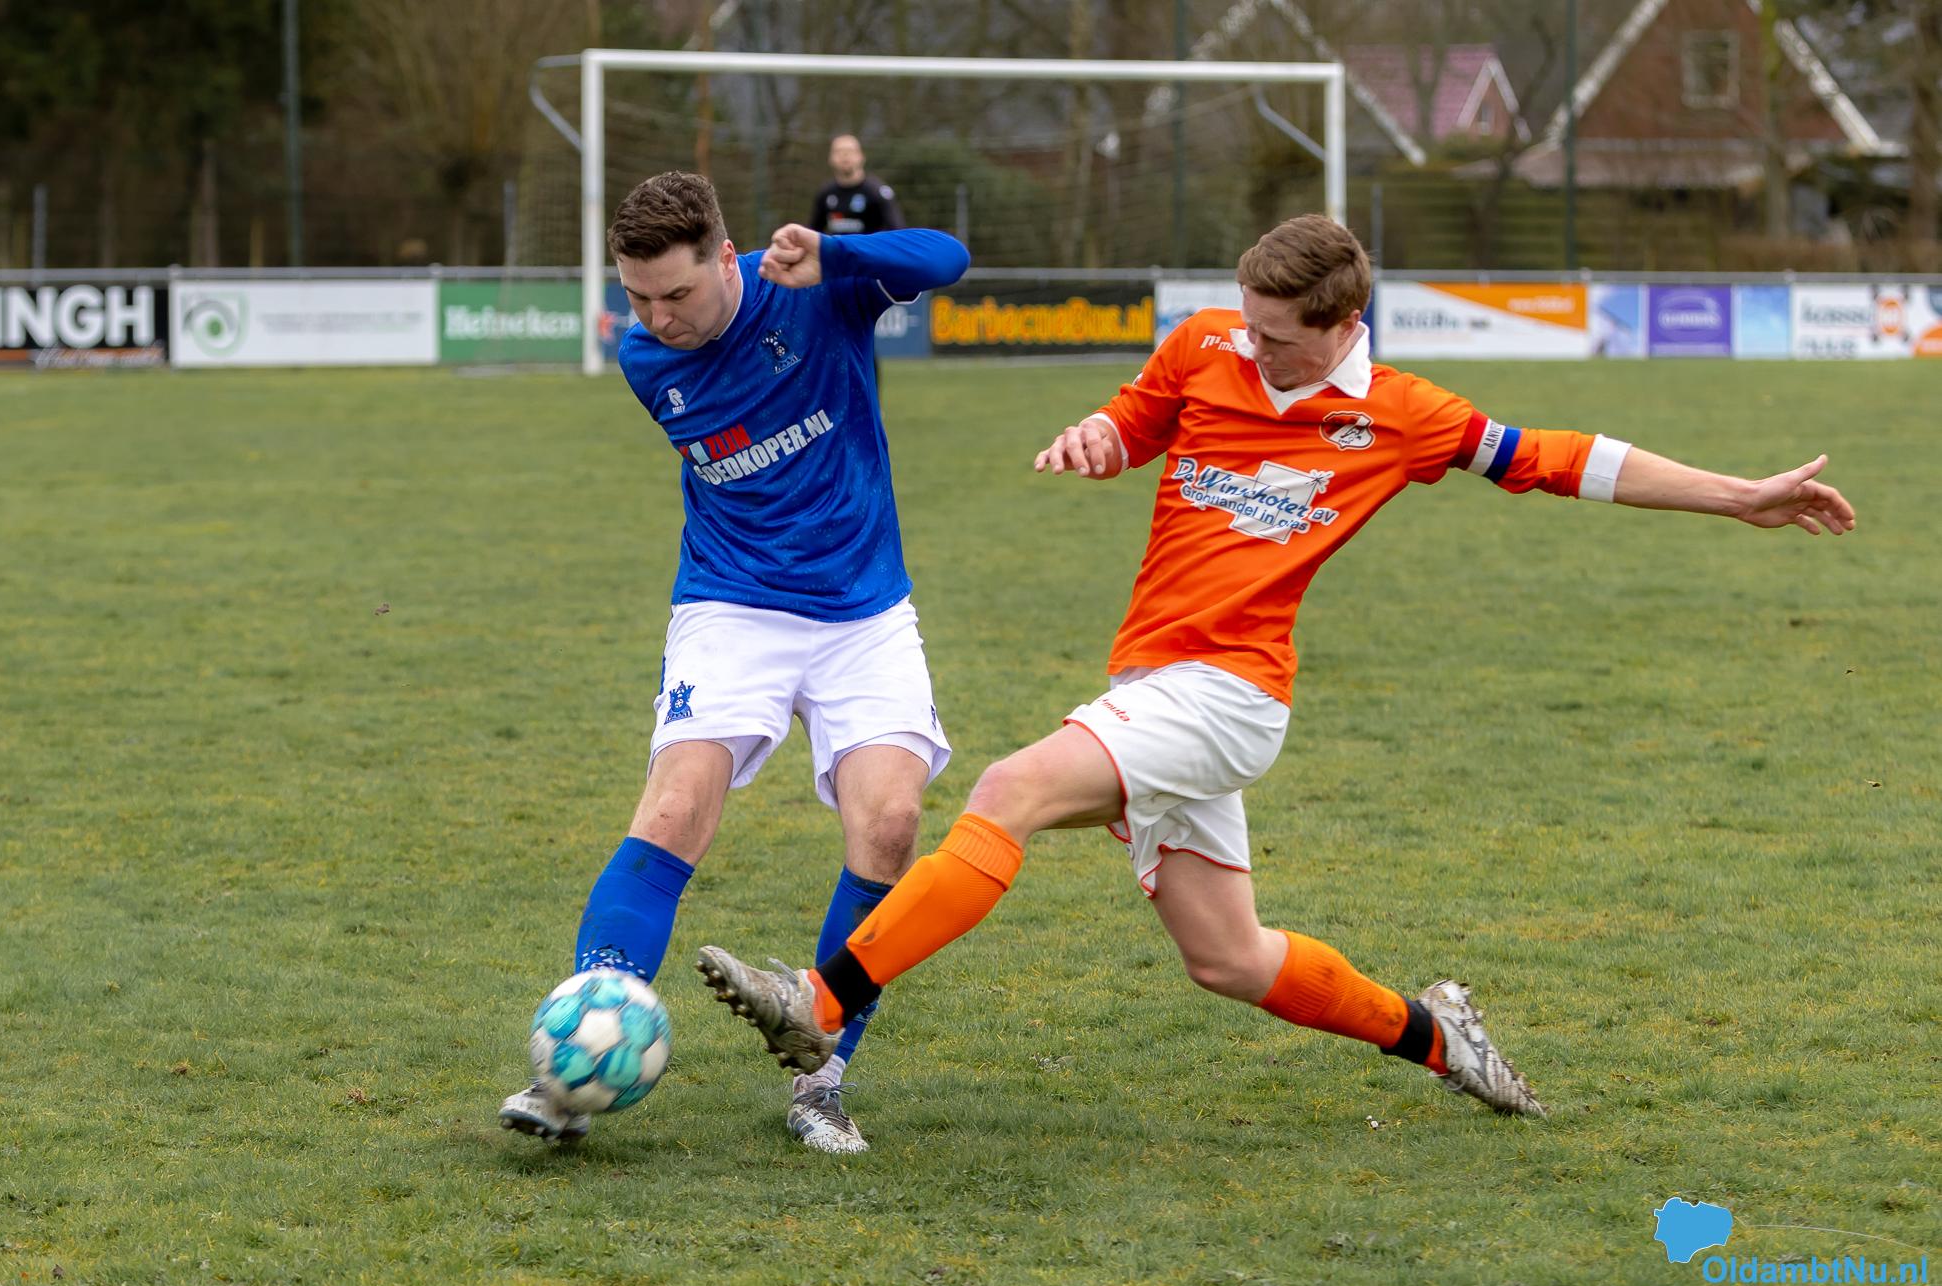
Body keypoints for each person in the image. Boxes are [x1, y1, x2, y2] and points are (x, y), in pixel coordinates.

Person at [695, 214, 1857, 1124]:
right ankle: (1442, 1038)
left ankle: (821, 1001)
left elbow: (1565, 458)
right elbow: (1134, 423)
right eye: (1247, 324)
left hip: (1230, 694)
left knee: (1010, 789)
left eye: (1279, 337)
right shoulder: (1206, 343)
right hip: (1154, 683)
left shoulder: (1401, 414)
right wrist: (1097, 438)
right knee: (1229, 958)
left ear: (1345, 324)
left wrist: (1737, 496)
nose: (1252, 347)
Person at [500, 171, 970, 1154]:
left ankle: (821, 1080)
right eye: (638, 297)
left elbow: (946, 258)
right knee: (675, 807)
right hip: (732, 603)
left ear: (728, 258)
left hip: (864, 609)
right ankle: (570, 1071)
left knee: (889, 826)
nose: (658, 318)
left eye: (677, 293)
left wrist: (836, 257)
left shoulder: (811, 288)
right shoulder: (644, 359)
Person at [809, 134, 905, 237]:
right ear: (830, 158)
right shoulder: (825, 193)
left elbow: (897, 231)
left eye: (850, 151)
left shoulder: (877, 191)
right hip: (839, 248)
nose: (845, 155)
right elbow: (813, 233)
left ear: (861, 157)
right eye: (838, 151)